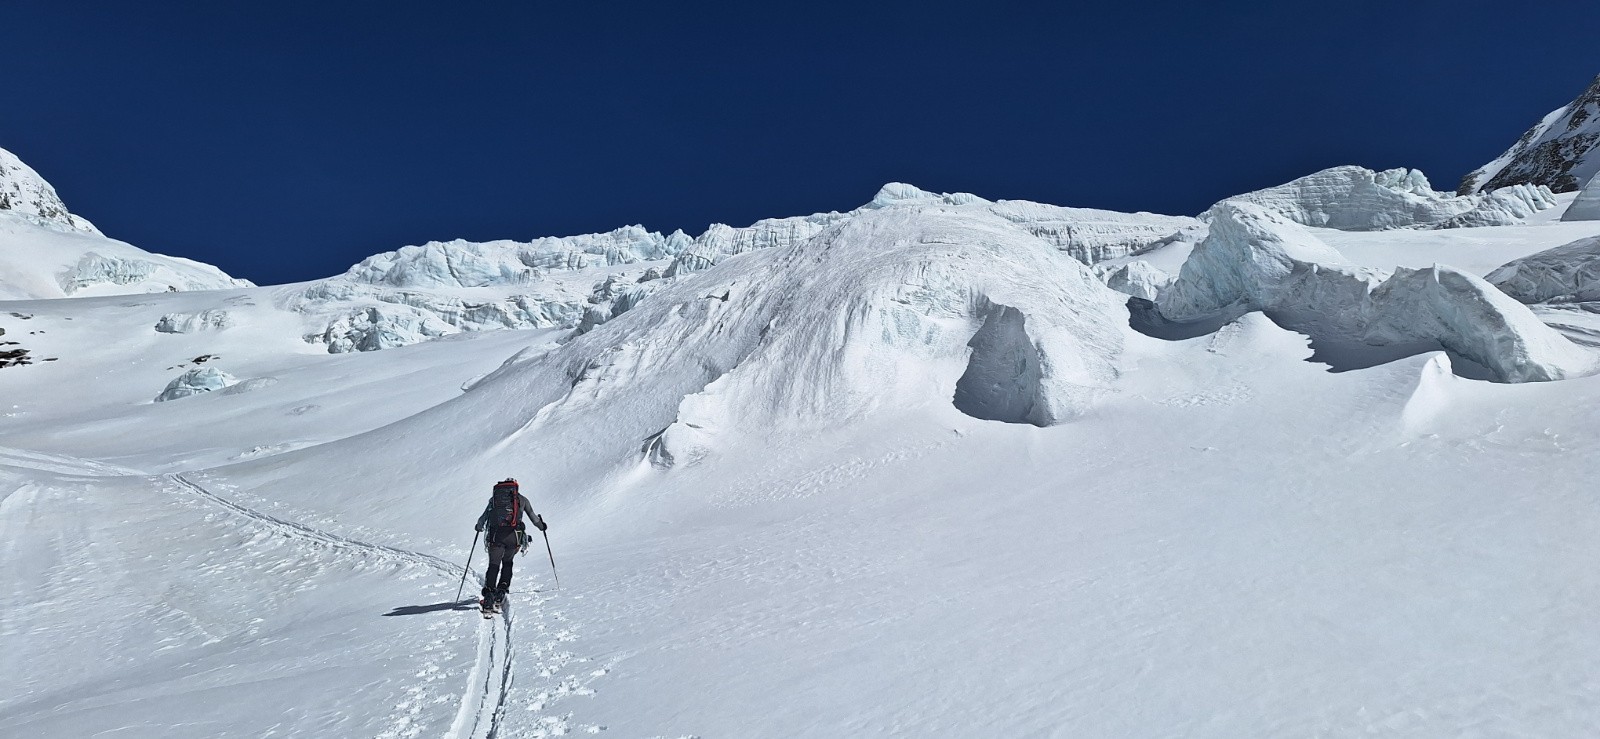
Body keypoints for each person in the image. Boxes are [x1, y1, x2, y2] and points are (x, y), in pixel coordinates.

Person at [474, 478, 546, 608]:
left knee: (493, 565)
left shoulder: (494, 500)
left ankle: (489, 595)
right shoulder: (522, 500)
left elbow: (483, 517)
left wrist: (478, 527)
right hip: (514, 536)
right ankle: (501, 590)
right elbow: (534, 518)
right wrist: (542, 526)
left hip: (496, 536)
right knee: (508, 562)